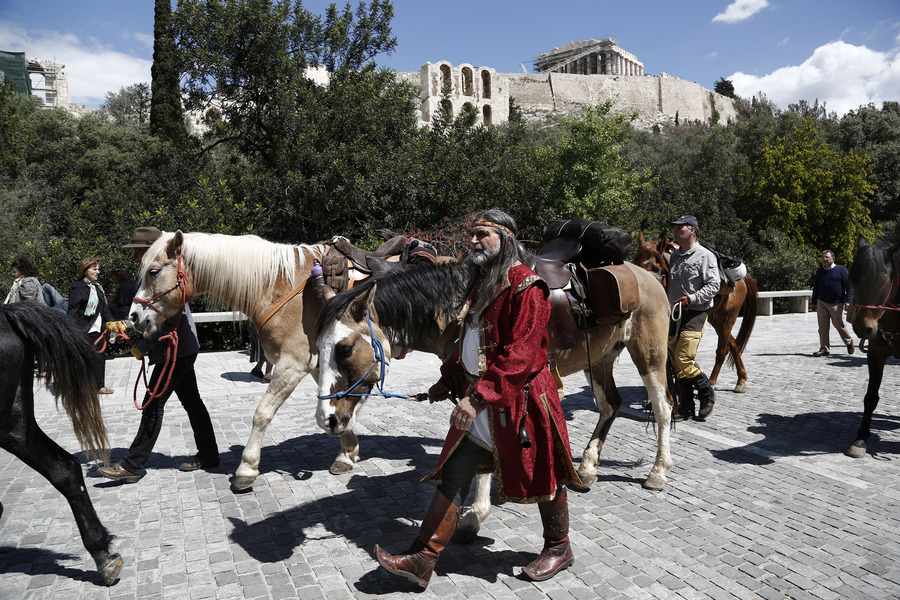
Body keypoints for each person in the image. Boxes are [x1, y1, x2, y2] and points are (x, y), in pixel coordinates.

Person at [374, 210, 582, 588]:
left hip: (521, 403)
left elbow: (521, 354)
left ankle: (559, 546)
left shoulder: (527, 287)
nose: (472, 241)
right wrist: (450, 375)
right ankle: (423, 557)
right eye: (471, 234)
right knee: (453, 474)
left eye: (481, 234)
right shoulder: (484, 284)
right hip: (483, 401)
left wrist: (478, 397)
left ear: (505, 237)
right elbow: (470, 338)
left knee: (542, 474)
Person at [98, 227, 219, 483]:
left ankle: (132, 464)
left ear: (150, 247)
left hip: (174, 350)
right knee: (192, 403)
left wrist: (142, 347)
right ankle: (208, 453)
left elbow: (167, 317)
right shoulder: (157, 273)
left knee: (153, 403)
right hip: (182, 348)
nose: (135, 256)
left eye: (138, 250)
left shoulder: (162, 273)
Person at [667, 216, 720, 422]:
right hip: (674, 313)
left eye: (680, 227)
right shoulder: (674, 257)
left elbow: (713, 285)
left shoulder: (705, 256)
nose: (676, 230)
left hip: (696, 312)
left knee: (683, 358)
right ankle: (685, 406)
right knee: (674, 360)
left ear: (692, 230)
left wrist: (692, 298)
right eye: (676, 227)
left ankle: (707, 393)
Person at [67, 258, 126, 395]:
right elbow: (73, 311)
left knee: (100, 357)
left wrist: (113, 324)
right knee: (84, 359)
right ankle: (80, 387)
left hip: (98, 330)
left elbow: (104, 309)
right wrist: (71, 331)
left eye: (98, 269)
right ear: (85, 271)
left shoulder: (97, 288)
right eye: (94, 269)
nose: (98, 272)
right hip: (83, 330)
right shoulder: (77, 288)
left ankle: (99, 385)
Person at [811, 249, 854, 357]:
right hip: (822, 302)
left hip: (836, 303)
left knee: (839, 325)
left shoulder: (841, 270)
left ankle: (849, 342)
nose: (824, 259)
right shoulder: (820, 271)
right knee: (823, 327)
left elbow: (849, 287)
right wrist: (813, 302)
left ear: (833, 259)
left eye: (827, 257)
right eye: (823, 257)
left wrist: (848, 301)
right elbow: (816, 287)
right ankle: (824, 349)